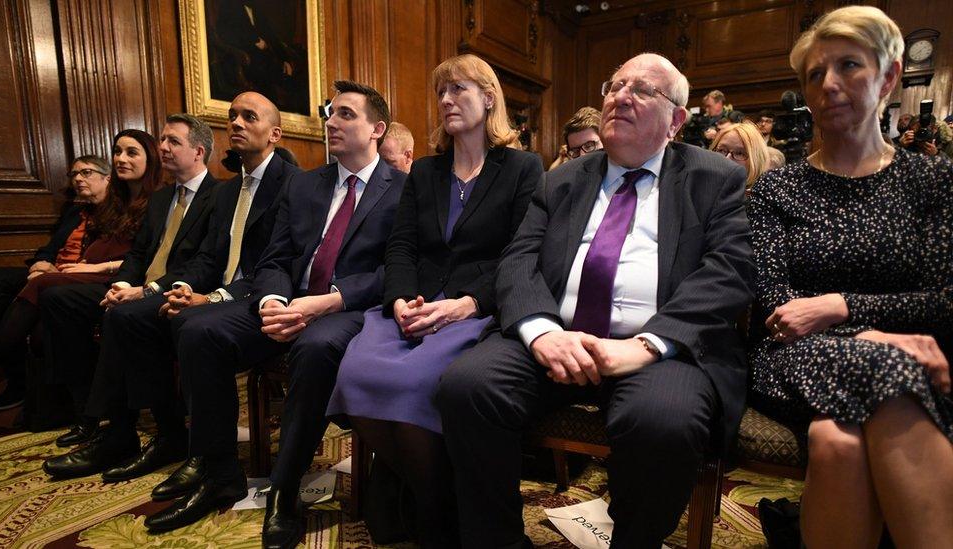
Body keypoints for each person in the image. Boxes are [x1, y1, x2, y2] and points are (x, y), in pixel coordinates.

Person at [437, 53, 754, 548]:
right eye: (615, 85)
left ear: (676, 120)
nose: (621, 96)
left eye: (643, 90)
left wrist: (647, 345)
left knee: (663, 421)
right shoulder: (563, 178)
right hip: (556, 335)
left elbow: (729, 273)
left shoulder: (713, 178)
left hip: (655, 348)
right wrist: (542, 333)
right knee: (467, 386)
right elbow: (518, 259)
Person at [142, 80, 406, 538]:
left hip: (346, 307)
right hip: (286, 300)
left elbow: (396, 270)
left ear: (377, 129)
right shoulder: (305, 185)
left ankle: (285, 489)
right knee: (197, 328)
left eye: (346, 114)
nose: (331, 122)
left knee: (317, 347)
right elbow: (275, 258)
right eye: (330, 113)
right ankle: (217, 470)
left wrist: (327, 301)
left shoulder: (404, 188)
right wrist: (272, 301)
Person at [748, 6, 953, 548]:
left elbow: (944, 299)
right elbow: (778, 308)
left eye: (849, 66)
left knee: (837, 443)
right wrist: (872, 336)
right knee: (885, 362)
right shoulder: (778, 190)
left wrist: (846, 309)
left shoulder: (931, 180)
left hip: (907, 351)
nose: (829, 84)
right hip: (792, 357)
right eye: (815, 74)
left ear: (888, 78)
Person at [326, 53, 543, 548]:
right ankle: (439, 499)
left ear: (489, 99)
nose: (446, 100)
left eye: (459, 90)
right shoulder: (425, 171)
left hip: (476, 309)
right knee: (355, 373)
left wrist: (468, 303)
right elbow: (401, 245)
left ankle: (434, 518)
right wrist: (400, 299)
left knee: (415, 380)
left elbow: (520, 253)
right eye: (441, 92)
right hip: (417, 302)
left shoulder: (522, 168)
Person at [42, 95, 298, 490]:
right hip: (217, 289)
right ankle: (162, 433)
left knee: (191, 324)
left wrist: (213, 298)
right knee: (127, 316)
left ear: (275, 134)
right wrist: (179, 287)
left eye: (249, 117)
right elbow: (209, 259)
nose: (236, 123)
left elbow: (279, 262)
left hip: (260, 294)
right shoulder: (229, 192)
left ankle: (208, 456)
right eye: (231, 116)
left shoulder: (294, 184)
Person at [39, 117, 219, 448]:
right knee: (57, 298)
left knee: (120, 317)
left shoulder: (219, 196)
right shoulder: (162, 198)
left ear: (198, 151)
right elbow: (137, 255)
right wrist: (121, 285)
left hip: (179, 290)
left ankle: (115, 430)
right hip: (140, 288)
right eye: (162, 140)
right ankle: (80, 410)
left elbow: (206, 263)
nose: (162, 147)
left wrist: (148, 289)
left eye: (173, 142)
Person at [0, 152, 148, 410]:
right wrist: (41, 264)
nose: (78, 179)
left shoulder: (125, 210)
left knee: (39, 297)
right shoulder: (75, 212)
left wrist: (85, 268)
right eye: (74, 175)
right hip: (56, 271)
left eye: (86, 172)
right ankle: (2, 374)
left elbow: (130, 257)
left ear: (107, 178)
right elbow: (51, 246)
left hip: (88, 275)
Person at [709, 122, 770, 193]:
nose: (727, 159)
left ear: (756, 160)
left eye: (739, 153)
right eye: (721, 150)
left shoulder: (762, 200)